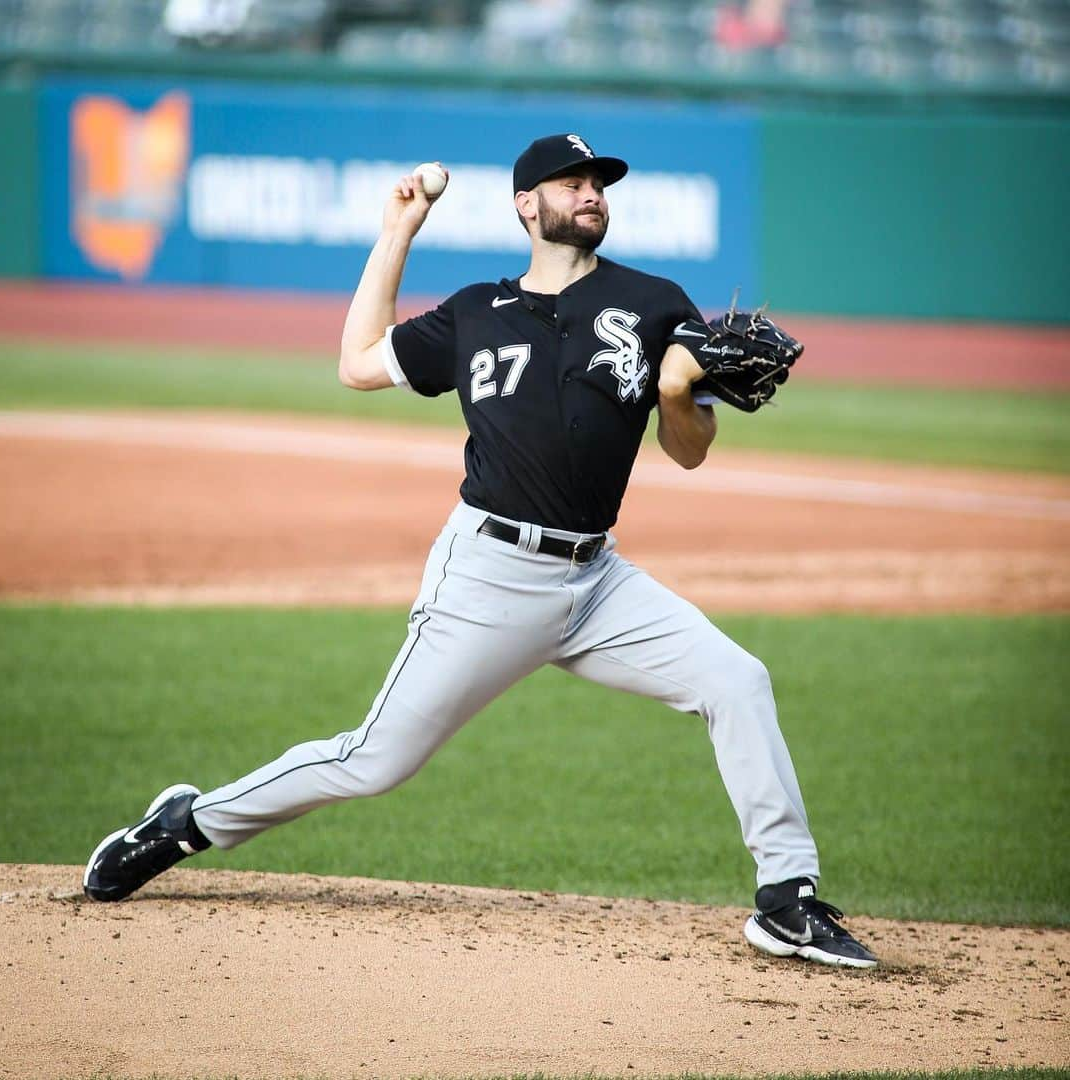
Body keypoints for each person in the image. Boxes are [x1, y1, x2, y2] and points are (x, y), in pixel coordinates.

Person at [83, 133, 877, 969]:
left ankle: (787, 900)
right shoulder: (473, 311)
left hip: (598, 581)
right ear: (527, 205)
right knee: (372, 762)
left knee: (736, 680)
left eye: (599, 183)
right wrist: (399, 231)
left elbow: (688, 450)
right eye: (571, 183)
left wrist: (681, 392)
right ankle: (186, 823)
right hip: (487, 577)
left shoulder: (655, 303)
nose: (592, 194)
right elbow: (356, 363)